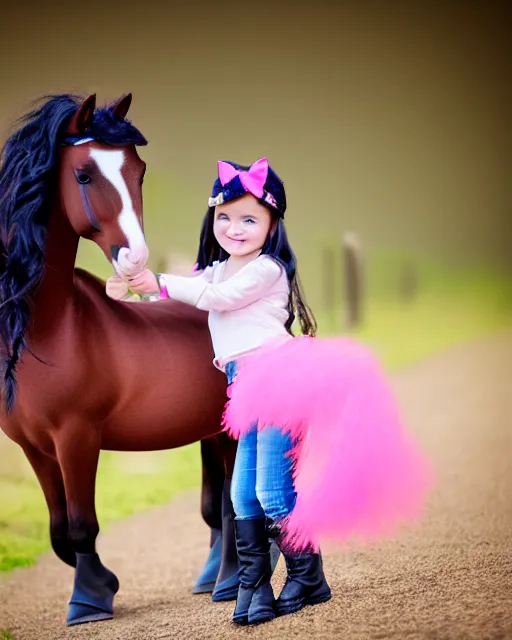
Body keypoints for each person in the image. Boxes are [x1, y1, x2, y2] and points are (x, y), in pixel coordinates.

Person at [106, 157, 432, 626]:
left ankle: (307, 574)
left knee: (273, 492)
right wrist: (136, 286)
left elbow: (216, 300)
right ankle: (254, 587)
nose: (234, 228)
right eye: (224, 217)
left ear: (272, 223)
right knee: (242, 496)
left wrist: (159, 282)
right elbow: (191, 290)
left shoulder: (267, 270)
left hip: (280, 383)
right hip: (245, 389)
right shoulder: (218, 270)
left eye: (249, 219)